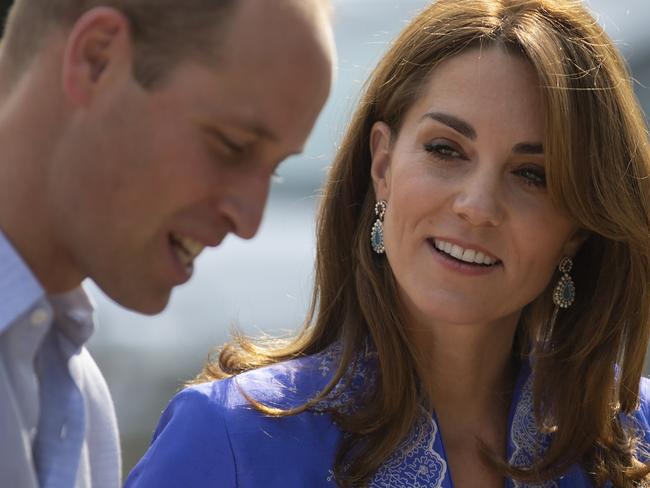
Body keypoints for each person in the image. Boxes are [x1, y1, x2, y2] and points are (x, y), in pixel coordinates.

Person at [126, 0, 650, 486]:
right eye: (446, 150)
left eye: (533, 175)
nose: (478, 205)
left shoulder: (636, 441)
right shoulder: (227, 438)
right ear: (383, 165)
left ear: (578, 227)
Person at [0, 0, 334, 486]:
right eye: (231, 145)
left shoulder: (72, 387)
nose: (248, 221)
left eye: (274, 170)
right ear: (97, 59)